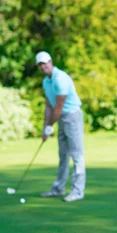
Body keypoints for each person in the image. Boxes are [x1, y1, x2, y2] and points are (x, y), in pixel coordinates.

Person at [36, 51, 85, 202]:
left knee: (77, 155)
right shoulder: (46, 81)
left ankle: (77, 191)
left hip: (72, 116)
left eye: (45, 63)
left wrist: (50, 125)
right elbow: (49, 106)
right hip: (61, 117)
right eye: (40, 65)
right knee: (63, 154)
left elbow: (59, 106)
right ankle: (58, 188)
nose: (43, 67)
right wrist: (45, 128)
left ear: (50, 62)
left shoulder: (60, 78)